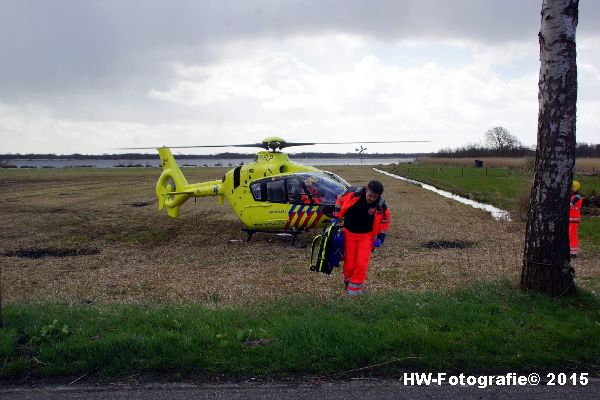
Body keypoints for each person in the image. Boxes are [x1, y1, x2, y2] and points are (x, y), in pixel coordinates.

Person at [333, 180, 391, 297]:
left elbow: (385, 221)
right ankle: (348, 281)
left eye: (374, 197)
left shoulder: (381, 204)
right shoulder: (353, 193)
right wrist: (336, 216)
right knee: (349, 263)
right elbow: (339, 199)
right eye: (370, 195)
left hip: (366, 237)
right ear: (366, 189)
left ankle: (354, 292)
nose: (371, 198)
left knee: (361, 264)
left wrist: (381, 237)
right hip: (349, 234)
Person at [569, 180, 583, 257]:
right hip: (570, 219)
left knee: (572, 235)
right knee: (569, 235)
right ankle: (571, 250)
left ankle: (573, 252)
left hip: (574, 220)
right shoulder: (572, 196)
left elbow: (570, 205)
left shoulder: (577, 197)